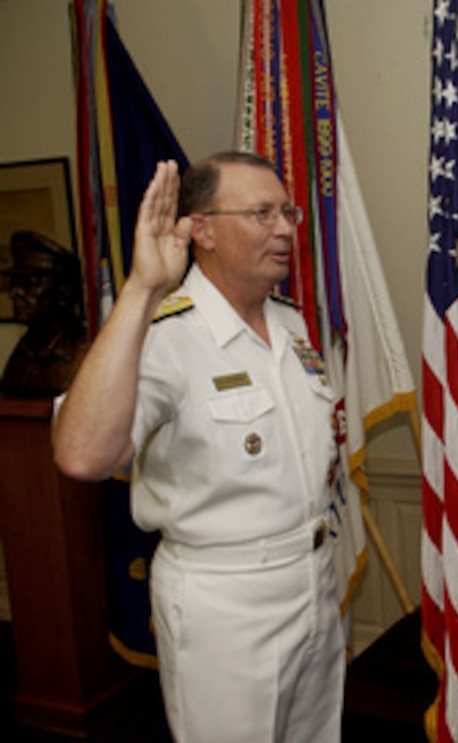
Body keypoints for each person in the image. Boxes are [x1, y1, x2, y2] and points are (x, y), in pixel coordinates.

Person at [53, 153, 345, 742]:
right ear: (202, 229)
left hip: (313, 578)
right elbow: (82, 455)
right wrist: (140, 290)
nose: (286, 228)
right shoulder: (165, 335)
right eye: (262, 213)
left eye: (287, 212)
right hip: (225, 599)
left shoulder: (291, 325)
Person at [0, 230, 89, 397]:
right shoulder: (21, 352)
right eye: (14, 283)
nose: (14, 293)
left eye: (30, 284)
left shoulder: (83, 355)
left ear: (64, 293)